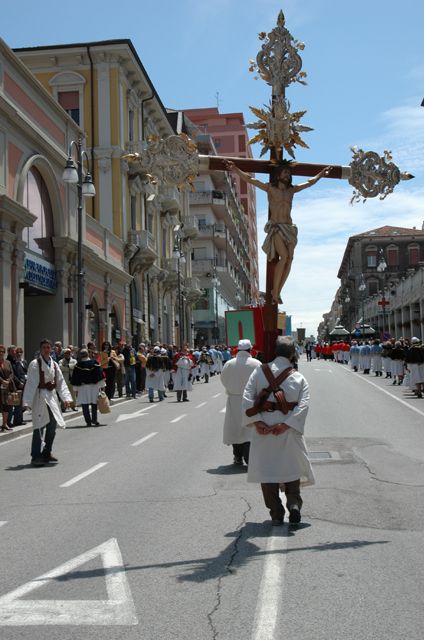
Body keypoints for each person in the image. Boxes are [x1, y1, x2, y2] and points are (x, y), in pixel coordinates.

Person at [224, 160, 331, 304]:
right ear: (278, 174)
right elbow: (250, 179)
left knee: (290, 260)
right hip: (277, 228)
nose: (287, 176)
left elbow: (309, 182)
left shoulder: (291, 190)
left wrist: (321, 174)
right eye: (285, 172)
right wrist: (235, 169)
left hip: (290, 228)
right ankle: (275, 291)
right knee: (284, 256)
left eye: (289, 173)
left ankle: (278, 291)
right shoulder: (270, 189)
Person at [241, 336, 314, 525]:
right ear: (292, 354)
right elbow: (303, 405)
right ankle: (293, 504)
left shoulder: (259, 372)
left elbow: (247, 397)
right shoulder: (298, 377)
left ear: (275, 352)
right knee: (291, 468)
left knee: (267, 471)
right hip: (288, 429)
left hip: (264, 429)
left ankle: (276, 511)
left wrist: (257, 422)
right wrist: (287, 424)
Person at [22, 339, 72, 466]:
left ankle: (47, 452)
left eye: (48, 347)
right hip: (39, 397)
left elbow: (61, 382)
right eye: (44, 347)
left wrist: (66, 398)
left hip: (52, 397)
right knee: (39, 427)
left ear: (51, 349)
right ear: (40, 349)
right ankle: (35, 456)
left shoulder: (54, 364)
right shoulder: (35, 364)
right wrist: (27, 401)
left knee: (52, 427)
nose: (46, 349)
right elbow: (31, 383)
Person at [220, 339, 261, 466]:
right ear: (250, 350)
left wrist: (232, 389)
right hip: (252, 400)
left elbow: (223, 380)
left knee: (235, 428)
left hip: (234, 399)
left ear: (238, 350)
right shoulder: (256, 363)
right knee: (249, 429)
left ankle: (237, 456)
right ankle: (250, 457)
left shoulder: (229, 364)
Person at [70, 349, 105, 426]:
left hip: (83, 388)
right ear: (88, 354)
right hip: (94, 387)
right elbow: (100, 375)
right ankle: (94, 420)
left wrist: (75, 390)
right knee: (94, 404)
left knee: (84, 405)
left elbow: (75, 378)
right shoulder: (94, 363)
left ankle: (88, 422)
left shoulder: (78, 365)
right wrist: (102, 386)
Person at [0, 345, 15, 431]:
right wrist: (2, 381)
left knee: (6, 406)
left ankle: (4, 424)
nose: (1, 353)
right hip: (1, 385)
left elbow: (12, 373)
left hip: (6, 388)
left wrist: (8, 380)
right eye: (0, 351)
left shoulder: (7, 362)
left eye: (3, 351)